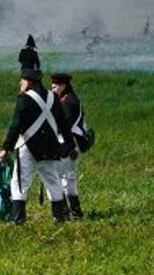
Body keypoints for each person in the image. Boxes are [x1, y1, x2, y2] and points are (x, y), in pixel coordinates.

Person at [0, 68, 75, 224]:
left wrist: (6, 148)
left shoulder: (24, 99)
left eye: (22, 80)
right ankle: (60, 218)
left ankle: (17, 220)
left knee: (19, 183)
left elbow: (16, 126)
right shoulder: (53, 98)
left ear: (29, 82)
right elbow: (64, 125)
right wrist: (69, 144)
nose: (20, 83)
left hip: (28, 148)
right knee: (53, 182)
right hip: (50, 149)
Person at [50, 73, 88, 219]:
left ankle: (64, 213)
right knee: (68, 178)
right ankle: (76, 213)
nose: (52, 88)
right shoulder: (65, 99)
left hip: (68, 144)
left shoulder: (69, 102)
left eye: (55, 86)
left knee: (57, 177)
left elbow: (64, 126)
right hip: (71, 143)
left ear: (63, 86)